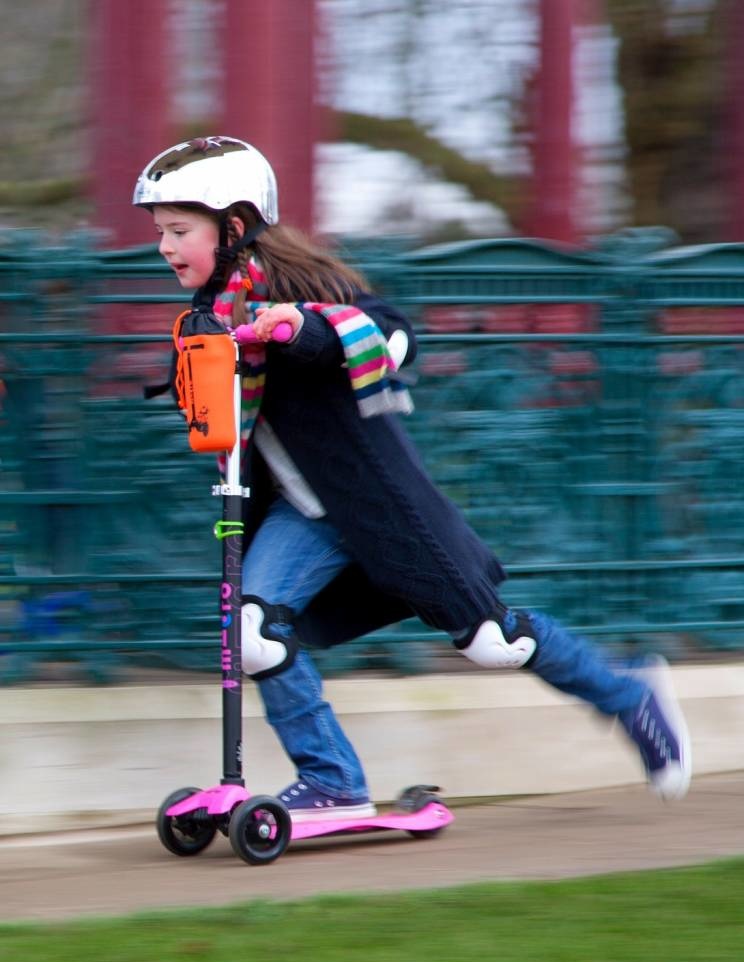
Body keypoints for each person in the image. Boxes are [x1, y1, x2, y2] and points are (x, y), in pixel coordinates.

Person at [133, 136, 691, 822]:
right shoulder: (208, 318)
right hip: (305, 516)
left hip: (378, 508)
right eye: (161, 232)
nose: (164, 246)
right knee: (251, 633)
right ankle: (334, 782)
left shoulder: (305, 293)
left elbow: (388, 336)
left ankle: (629, 695)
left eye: (179, 231)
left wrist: (296, 331)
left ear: (236, 227)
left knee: (495, 642)